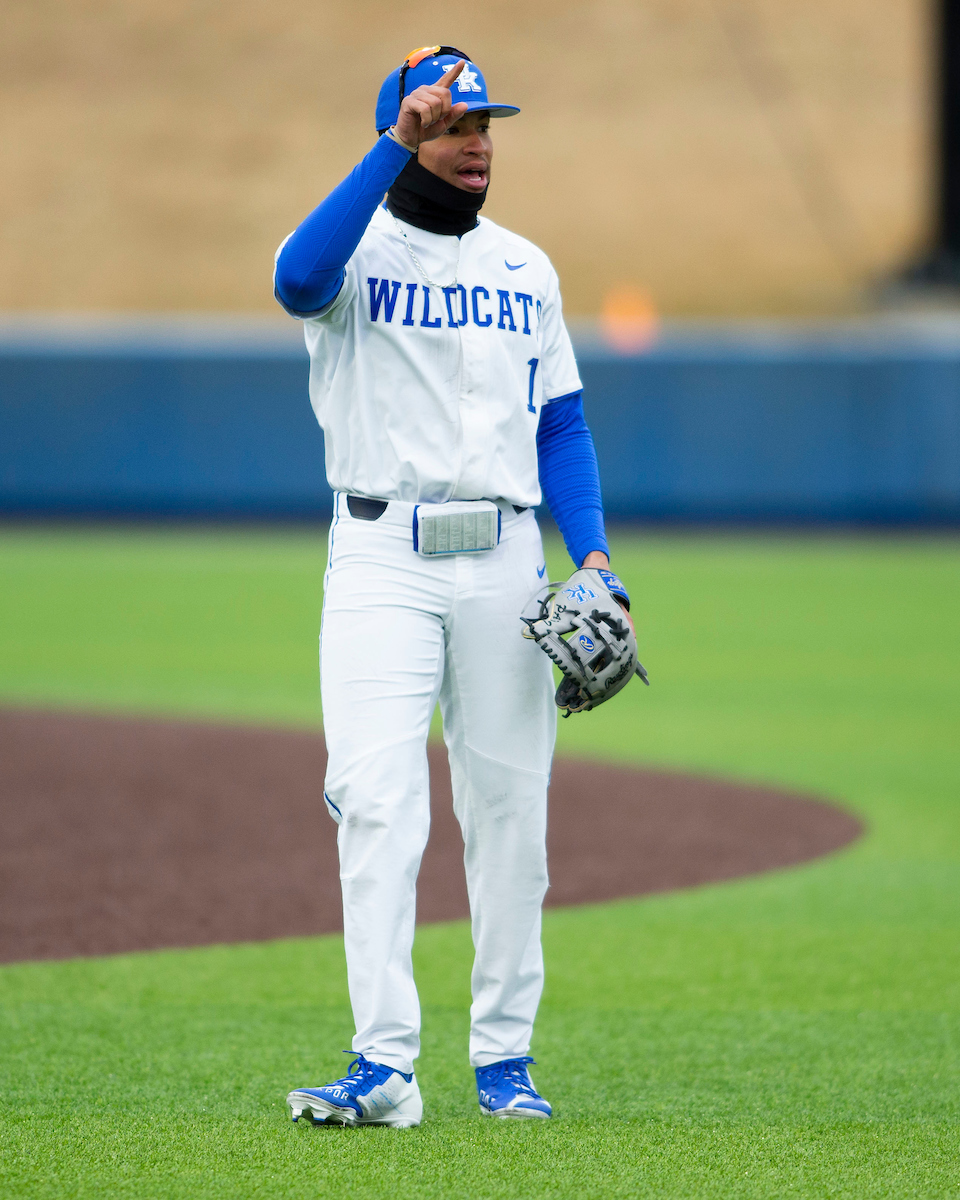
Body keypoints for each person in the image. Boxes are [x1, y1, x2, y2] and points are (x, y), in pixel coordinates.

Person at [275, 45, 623, 1128]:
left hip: (507, 564)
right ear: (406, 136)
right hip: (382, 555)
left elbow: (561, 422)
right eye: (451, 123)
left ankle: (504, 1061)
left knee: (512, 813)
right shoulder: (353, 258)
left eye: (484, 123)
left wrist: (596, 556)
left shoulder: (527, 268)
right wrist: (389, 142)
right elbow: (294, 276)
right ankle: (383, 1067)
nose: (476, 141)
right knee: (378, 804)